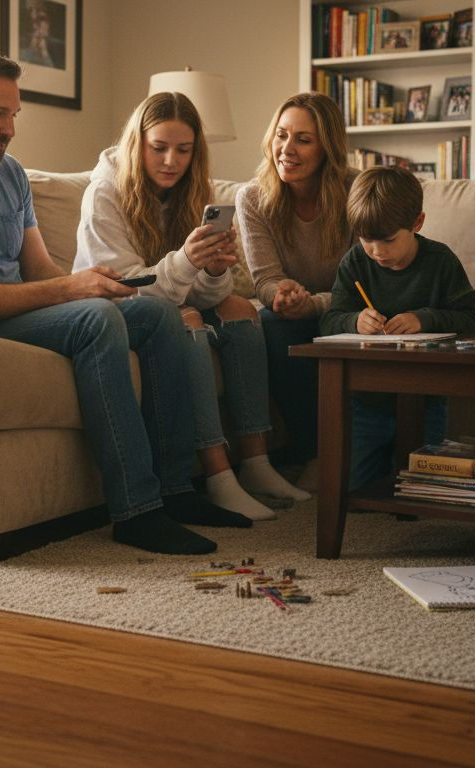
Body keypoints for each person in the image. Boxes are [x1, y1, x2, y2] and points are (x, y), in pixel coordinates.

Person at [0, 50, 252, 555]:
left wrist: (93, 282)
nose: (9, 128)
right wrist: (72, 291)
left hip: (20, 311)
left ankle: (176, 490)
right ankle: (136, 512)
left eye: (13, 115)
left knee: (157, 313)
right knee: (95, 320)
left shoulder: (7, 174)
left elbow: (39, 272)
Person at [75, 93, 311, 521]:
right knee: (183, 318)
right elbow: (129, 287)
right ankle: (219, 476)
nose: (171, 161)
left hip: (170, 302)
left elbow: (202, 294)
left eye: (184, 150)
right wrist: (187, 260)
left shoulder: (192, 191)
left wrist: (215, 269)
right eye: (158, 148)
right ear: (137, 144)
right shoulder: (104, 193)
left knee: (240, 306)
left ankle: (256, 464)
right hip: (113, 308)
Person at [319, 165, 475, 490]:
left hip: (426, 399)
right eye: (367, 240)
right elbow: (329, 321)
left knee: (423, 487)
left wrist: (425, 319)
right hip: (367, 401)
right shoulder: (355, 262)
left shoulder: (440, 261)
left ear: (417, 223)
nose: (377, 252)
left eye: (389, 240)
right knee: (354, 489)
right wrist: (354, 321)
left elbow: (470, 320)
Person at [236, 92, 357, 491]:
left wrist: (313, 303)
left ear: (328, 148)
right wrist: (281, 295)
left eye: (303, 139)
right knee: (269, 322)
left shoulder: (356, 192)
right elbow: (265, 279)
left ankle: (360, 453)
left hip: (350, 311)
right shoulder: (253, 198)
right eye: (281, 135)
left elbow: (366, 286)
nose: (286, 149)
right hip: (294, 314)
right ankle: (315, 453)